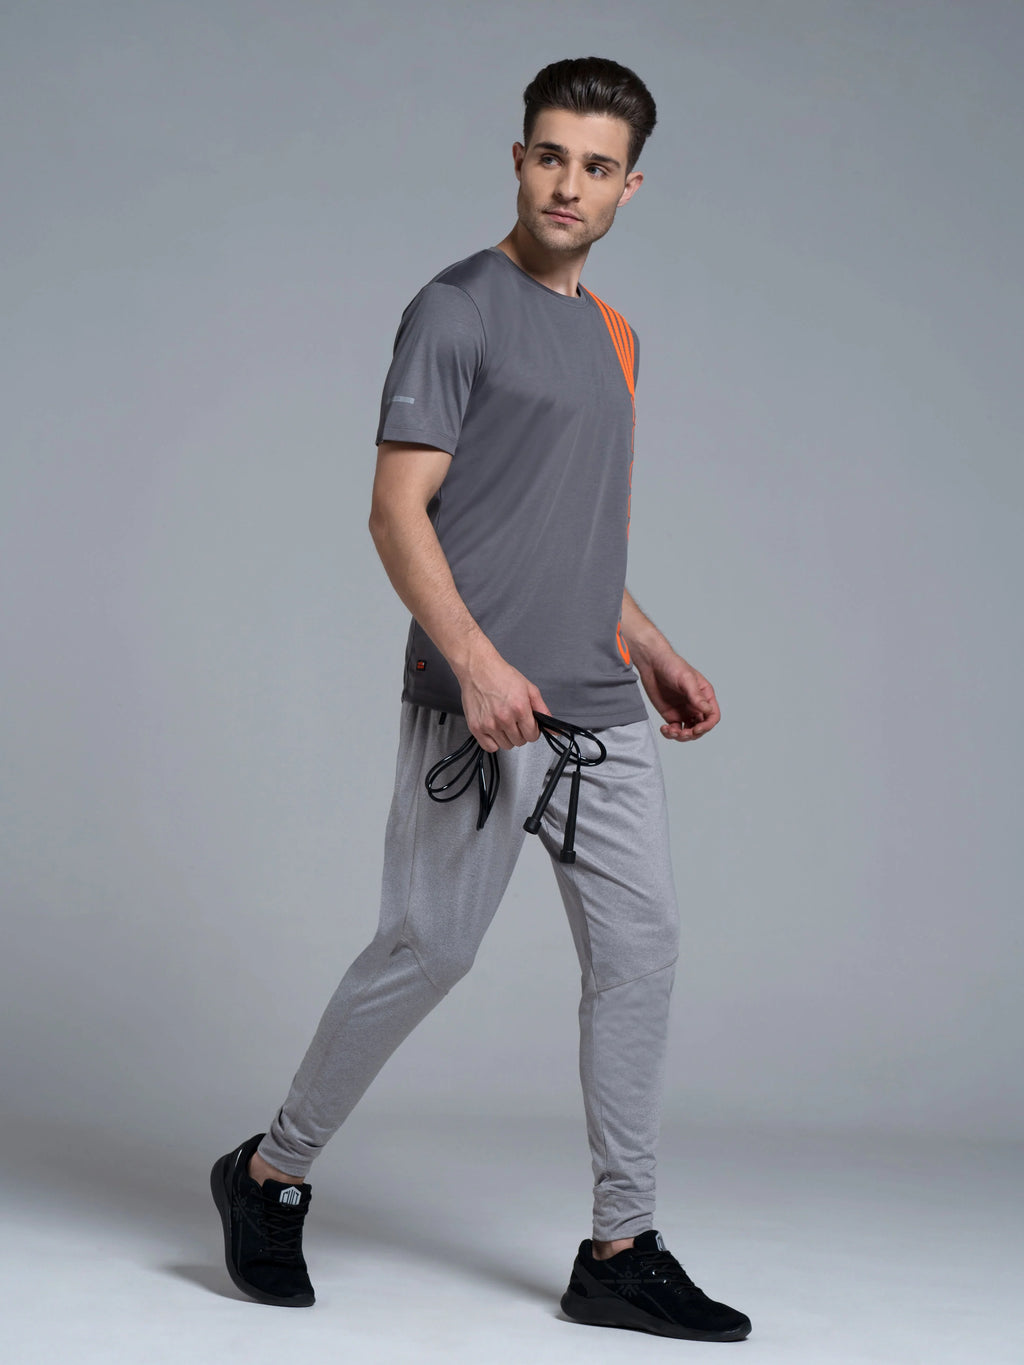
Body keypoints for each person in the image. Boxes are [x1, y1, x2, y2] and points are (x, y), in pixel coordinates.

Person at [211, 56, 751, 1343]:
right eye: (550, 155)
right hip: (480, 704)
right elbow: (398, 515)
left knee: (640, 959)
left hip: (600, 712)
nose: (569, 183)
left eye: (597, 166)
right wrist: (475, 663)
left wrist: (653, 647)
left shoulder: (617, 339)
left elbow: (574, 539)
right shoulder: (455, 310)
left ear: (629, 188)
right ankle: (271, 1170)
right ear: (518, 160)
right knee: (429, 951)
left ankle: (620, 1247)